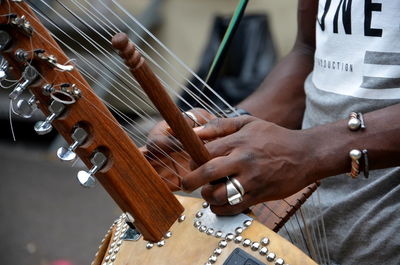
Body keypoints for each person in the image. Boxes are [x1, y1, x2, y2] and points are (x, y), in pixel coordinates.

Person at [145, 1, 400, 264]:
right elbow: (308, 52)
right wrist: (224, 130)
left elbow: (304, 151)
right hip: (295, 239)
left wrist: (308, 152)